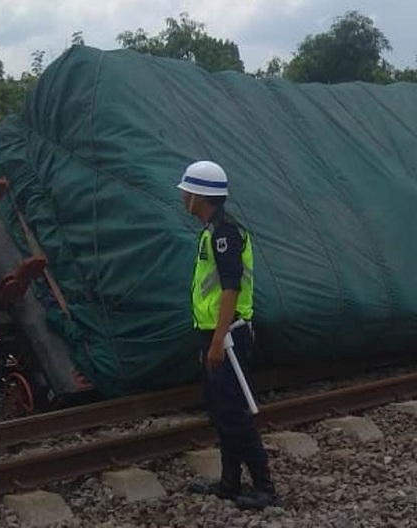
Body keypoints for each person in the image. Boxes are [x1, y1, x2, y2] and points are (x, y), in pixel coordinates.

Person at [177, 160, 278, 511]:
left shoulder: (225, 235)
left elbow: (231, 288)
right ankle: (230, 482)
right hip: (215, 335)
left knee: (233, 413)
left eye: (187, 192)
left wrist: (218, 340)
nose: (183, 197)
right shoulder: (213, 232)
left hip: (229, 337)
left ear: (199, 196)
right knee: (221, 412)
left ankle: (264, 486)